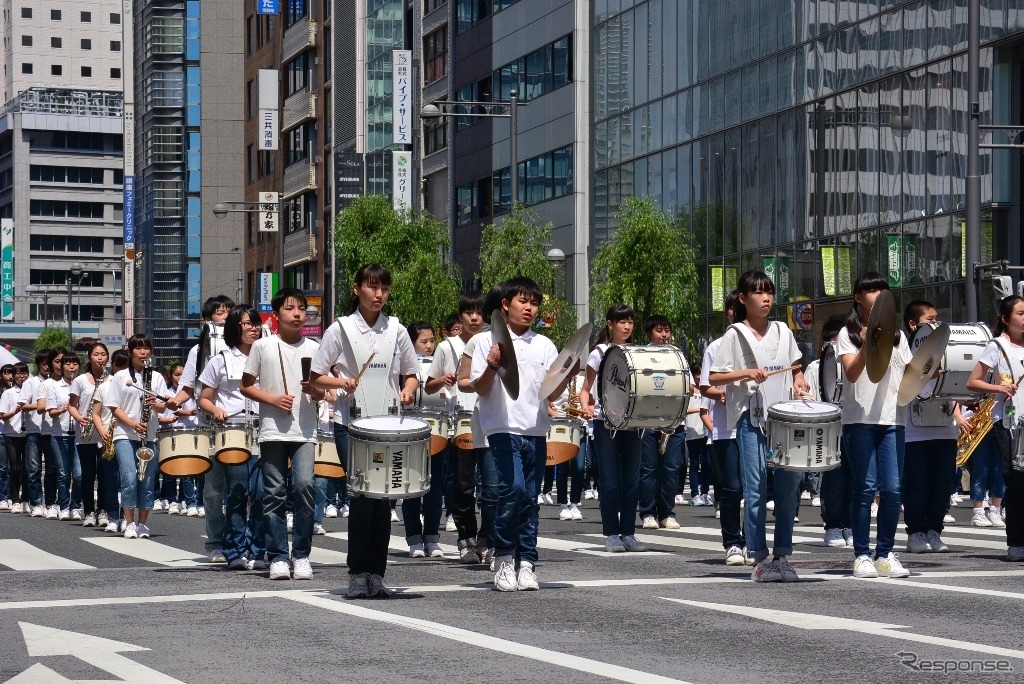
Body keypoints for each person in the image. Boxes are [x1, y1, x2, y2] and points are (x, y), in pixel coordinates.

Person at [310, 264, 419, 597]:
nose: (379, 294)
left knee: (383, 498)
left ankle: (377, 573)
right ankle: (357, 572)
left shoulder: (396, 329)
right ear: (357, 289)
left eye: (384, 288)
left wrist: (408, 389)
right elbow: (315, 376)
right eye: (372, 287)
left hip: (388, 424)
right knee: (360, 496)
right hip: (351, 422)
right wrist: (341, 380)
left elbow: (412, 373)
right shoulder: (340, 329)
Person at [709, 271, 809, 583]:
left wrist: (799, 379)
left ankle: (783, 555)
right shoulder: (734, 334)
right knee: (755, 488)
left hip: (783, 418)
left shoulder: (783, 330)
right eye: (758, 292)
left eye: (769, 292)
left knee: (787, 489)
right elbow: (714, 377)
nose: (765, 298)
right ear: (743, 298)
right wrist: (745, 373)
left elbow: (795, 367)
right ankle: (760, 557)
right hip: (750, 419)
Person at [470, 276, 566, 591]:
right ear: (505, 305)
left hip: (535, 429)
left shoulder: (545, 345)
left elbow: (551, 395)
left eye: (534, 303)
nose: (529, 308)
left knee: (529, 497)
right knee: (511, 489)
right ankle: (503, 557)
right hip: (501, 426)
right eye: (522, 301)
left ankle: (527, 563)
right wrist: (492, 366)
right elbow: (480, 389)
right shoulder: (486, 341)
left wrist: (568, 373)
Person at [834, 272, 912, 579]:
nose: (877, 294)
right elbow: (852, 373)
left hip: (893, 418)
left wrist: (930, 369)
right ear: (857, 297)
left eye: (882, 289)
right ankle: (862, 554)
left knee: (892, 490)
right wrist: (868, 342)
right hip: (860, 419)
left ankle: (885, 554)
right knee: (864, 489)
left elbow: (909, 375)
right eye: (871, 290)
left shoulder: (898, 335)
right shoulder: (847, 333)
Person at [242, 288, 323, 580]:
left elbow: (323, 391)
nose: (298, 313)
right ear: (276, 315)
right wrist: (272, 400)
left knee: (304, 487)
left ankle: (300, 555)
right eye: (290, 308)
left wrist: (316, 390)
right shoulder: (263, 347)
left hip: (304, 429)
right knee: (273, 493)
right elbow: (246, 385)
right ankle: (277, 555)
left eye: (302, 308)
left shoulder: (315, 348)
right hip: (273, 428)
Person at [167, 295, 235, 561]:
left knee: (245, 487)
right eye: (220, 313)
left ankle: (243, 540)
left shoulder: (251, 346)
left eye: (230, 312)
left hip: (244, 423)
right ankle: (215, 542)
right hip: (209, 426)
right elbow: (188, 387)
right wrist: (175, 401)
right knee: (214, 487)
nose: (226, 317)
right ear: (207, 321)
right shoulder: (199, 351)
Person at [201, 304, 267, 571]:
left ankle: (257, 548)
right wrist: (217, 409)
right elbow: (204, 398)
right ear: (234, 328)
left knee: (263, 493)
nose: (253, 328)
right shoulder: (220, 360)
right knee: (237, 493)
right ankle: (234, 549)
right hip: (234, 431)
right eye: (247, 323)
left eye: (256, 323)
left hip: (265, 430)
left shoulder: (268, 356)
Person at [578, 304, 648, 554]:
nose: (627, 326)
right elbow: (585, 389)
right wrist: (586, 408)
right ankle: (611, 533)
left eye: (630, 321)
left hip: (633, 423)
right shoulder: (600, 352)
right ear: (610, 324)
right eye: (621, 322)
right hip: (605, 422)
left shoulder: (638, 352)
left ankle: (628, 532)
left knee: (631, 479)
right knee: (609, 479)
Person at [425, 291, 487, 562]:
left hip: (488, 418)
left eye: (479, 313)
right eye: (468, 313)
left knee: (492, 485)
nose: (474, 318)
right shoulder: (446, 347)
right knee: (463, 484)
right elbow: (428, 385)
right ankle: (465, 538)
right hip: (458, 419)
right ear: (460, 317)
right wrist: (443, 379)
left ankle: (487, 537)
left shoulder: (492, 342)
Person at [967, 295, 1024, 561]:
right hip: (1010, 422)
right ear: (1005, 319)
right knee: (1016, 479)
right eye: (1021, 314)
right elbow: (973, 381)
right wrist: (1000, 388)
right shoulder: (997, 347)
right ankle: (1016, 541)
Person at [901, 301, 957, 554]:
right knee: (916, 483)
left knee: (942, 483)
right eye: (930, 319)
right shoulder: (902, 347)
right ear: (914, 325)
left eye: (937, 319)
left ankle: (934, 530)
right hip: (914, 430)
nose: (935, 323)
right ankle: (915, 532)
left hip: (944, 426)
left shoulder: (948, 346)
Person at [700, 291, 749, 565]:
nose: (736, 313)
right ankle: (732, 542)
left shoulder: (761, 343)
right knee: (731, 487)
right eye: (732, 309)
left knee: (753, 488)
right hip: (725, 426)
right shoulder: (716, 346)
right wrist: (721, 394)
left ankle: (751, 540)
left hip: (755, 424)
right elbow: (706, 385)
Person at [107, 335, 169, 539]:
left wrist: (156, 403)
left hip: (148, 434)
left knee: (148, 478)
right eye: (138, 348)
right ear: (130, 351)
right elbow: (114, 407)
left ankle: (143, 524)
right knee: (129, 476)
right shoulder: (121, 376)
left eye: (146, 348)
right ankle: (130, 522)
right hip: (125, 432)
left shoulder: (157, 377)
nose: (143, 352)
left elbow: (162, 407)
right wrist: (133, 423)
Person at [638, 314, 694, 530]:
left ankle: (667, 513)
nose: (664, 335)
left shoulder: (677, 354)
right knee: (649, 469)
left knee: (672, 468)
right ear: (649, 332)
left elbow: (688, 385)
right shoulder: (642, 354)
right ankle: (648, 513)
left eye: (667, 330)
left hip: (674, 420)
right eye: (659, 330)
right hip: (648, 420)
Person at [399, 321, 447, 557]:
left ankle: (432, 537)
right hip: (410, 429)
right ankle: (414, 538)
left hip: (437, 430)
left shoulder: (440, 362)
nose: (429, 346)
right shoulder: (405, 366)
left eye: (431, 341)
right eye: (423, 341)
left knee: (435, 488)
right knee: (412, 486)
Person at [812, 319, 853, 548]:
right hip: (829, 427)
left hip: (853, 423)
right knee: (835, 478)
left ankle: (850, 523)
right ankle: (833, 525)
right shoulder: (815, 367)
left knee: (855, 477)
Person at [69, 343, 109, 527]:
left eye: (103, 354)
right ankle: (88, 512)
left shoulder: (112, 380)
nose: (100, 358)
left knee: (104, 475)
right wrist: (80, 418)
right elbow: (72, 405)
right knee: (87, 475)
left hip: (104, 433)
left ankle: (102, 510)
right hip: (85, 434)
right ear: (89, 358)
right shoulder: (80, 380)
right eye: (96, 354)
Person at [93, 350, 129, 533]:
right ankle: (113, 516)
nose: (122, 369)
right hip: (108, 437)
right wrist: (101, 432)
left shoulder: (133, 385)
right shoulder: (104, 386)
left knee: (126, 481)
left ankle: (126, 517)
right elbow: (96, 413)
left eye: (125, 365)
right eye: (119, 365)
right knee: (110, 481)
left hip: (128, 437)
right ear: (112, 365)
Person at [47, 352, 82, 520]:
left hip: (80, 435)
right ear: (61, 366)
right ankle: (64, 506)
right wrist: (62, 409)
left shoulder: (83, 384)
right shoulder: (54, 386)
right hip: (59, 434)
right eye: (67, 364)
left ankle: (75, 506)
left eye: (75, 364)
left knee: (78, 473)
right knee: (63, 473)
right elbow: (51, 411)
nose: (71, 367)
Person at [0, 363, 29, 512]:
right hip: (11, 434)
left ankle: (26, 499)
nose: (21, 376)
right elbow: (3, 416)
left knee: (27, 468)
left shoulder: (32, 392)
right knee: (15, 468)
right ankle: (14, 499)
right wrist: (15, 411)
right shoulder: (8, 393)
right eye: (18, 373)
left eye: (24, 373)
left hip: (29, 433)